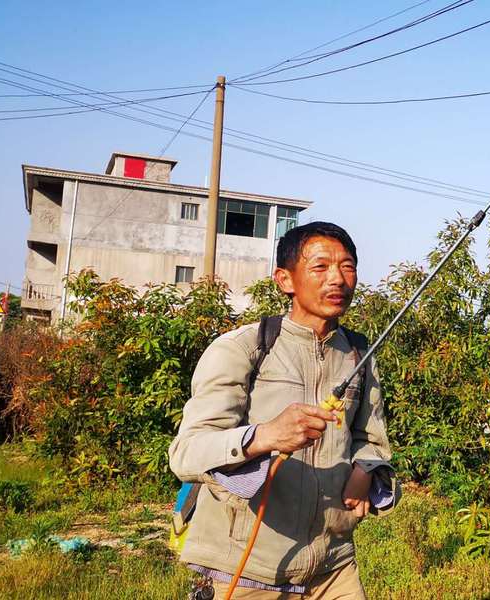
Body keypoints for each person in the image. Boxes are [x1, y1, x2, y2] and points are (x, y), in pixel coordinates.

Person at [169, 222, 395, 599]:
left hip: (332, 564)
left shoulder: (358, 356)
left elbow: (372, 439)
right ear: (284, 280)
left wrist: (365, 469)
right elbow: (187, 452)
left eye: (348, 266)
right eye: (320, 267)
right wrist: (263, 436)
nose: (337, 279)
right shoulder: (243, 349)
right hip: (245, 567)